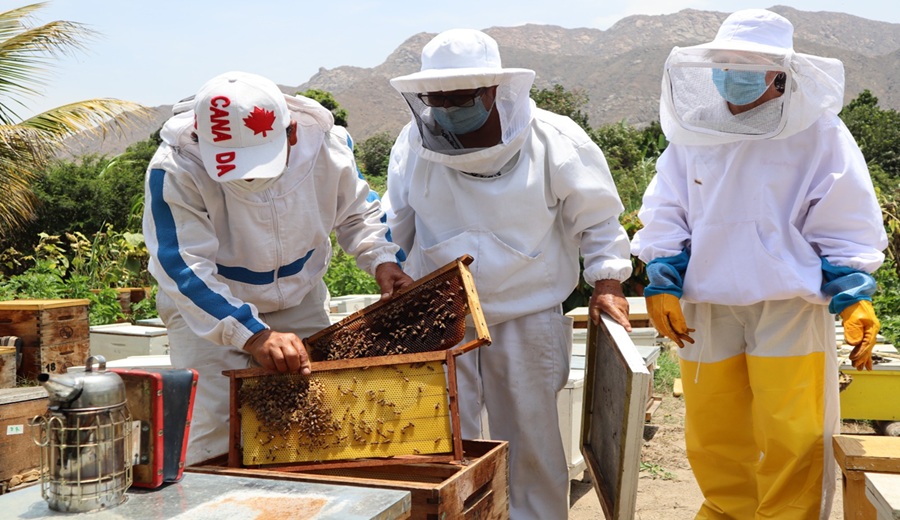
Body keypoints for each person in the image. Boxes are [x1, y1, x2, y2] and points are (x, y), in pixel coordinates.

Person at [631, 9, 887, 519]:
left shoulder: (818, 133)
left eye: (746, 64)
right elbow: (666, 208)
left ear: (779, 72)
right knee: (715, 432)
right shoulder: (694, 128)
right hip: (707, 307)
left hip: (786, 306)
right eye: (725, 63)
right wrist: (662, 279)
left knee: (794, 433)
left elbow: (843, 218)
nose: (733, 73)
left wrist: (854, 294)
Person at [383, 29, 633, 519]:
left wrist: (608, 281)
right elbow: (395, 222)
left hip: (528, 312)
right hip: (441, 314)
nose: (448, 110)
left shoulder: (555, 138)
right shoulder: (412, 143)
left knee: (532, 438)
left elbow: (598, 218)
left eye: (461, 99)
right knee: (447, 442)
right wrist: (388, 265)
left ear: (495, 91)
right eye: (438, 101)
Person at [142, 71, 412, 465]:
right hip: (210, 309)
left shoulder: (328, 147)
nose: (249, 175)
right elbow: (184, 267)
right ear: (201, 140)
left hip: (299, 297)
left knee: (318, 417)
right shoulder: (176, 169)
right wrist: (252, 335)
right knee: (215, 432)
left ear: (290, 134)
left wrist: (382, 259)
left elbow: (358, 213)